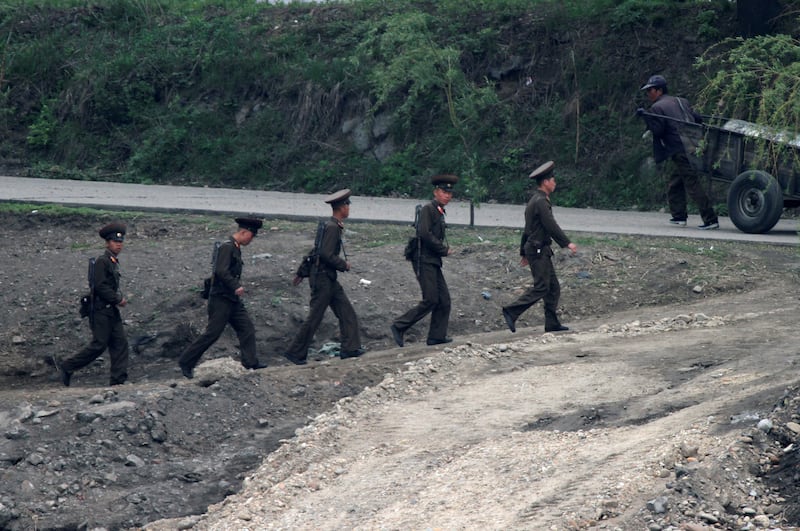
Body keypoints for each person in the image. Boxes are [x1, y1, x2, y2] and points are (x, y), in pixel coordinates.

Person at [178, 217, 267, 379]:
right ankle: (186, 361)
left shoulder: (235, 247)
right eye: (251, 236)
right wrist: (236, 286)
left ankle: (250, 361)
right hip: (221, 298)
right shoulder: (227, 247)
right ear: (243, 232)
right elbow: (221, 271)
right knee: (212, 333)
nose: (251, 240)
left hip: (231, 299)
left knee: (246, 328)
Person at [284, 189, 363, 365]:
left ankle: (350, 348)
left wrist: (301, 271)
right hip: (323, 279)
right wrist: (344, 265)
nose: (349, 208)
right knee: (315, 317)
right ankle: (295, 352)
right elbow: (326, 254)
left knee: (347, 312)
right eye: (347, 205)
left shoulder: (329, 225)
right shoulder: (333, 228)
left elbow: (316, 251)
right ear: (342, 207)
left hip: (327, 278)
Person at [501, 161, 577, 334]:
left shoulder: (536, 200)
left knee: (553, 287)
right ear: (545, 182)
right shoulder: (541, 202)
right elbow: (551, 225)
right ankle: (511, 311)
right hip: (537, 250)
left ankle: (551, 323)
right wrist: (566, 243)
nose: (555, 183)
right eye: (553, 180)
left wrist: (523, 252)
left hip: (538, 249)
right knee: (542, 287)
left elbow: (528, 229)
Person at [637, 74, 719, 230]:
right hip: (694, 146)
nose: (648, 94)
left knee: (692, 183)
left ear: (659, 90)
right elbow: (697, 118)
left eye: (650, 90)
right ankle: (679, 216)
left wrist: (646, 118)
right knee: (676, 181)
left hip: (679, 149)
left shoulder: (657, 107)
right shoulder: (682, 101)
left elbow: (659, 130)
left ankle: (710, 219)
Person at [58, 222, 131, 387]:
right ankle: (68, 366)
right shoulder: (102, 261)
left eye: (120, 242)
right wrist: (117, 299)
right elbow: (99, 286)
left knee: (120, 343)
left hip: (110, 310)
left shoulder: (112, 261)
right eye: (115, 242)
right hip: (100, 310)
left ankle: (118, 380)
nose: (118, 245)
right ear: (107, 243)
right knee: (99, 344)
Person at [390, 174, 457, 348]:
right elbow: (424, 233)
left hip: (432, 260)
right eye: (444, 192)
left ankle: (436, 336)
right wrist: (443, 250)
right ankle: (399, 326)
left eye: (450, 193)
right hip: (424, 259)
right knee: (431, 299)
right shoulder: (429, 209)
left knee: (444, 300)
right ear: (436, 192)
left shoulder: (439, 210)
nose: (448, 195)